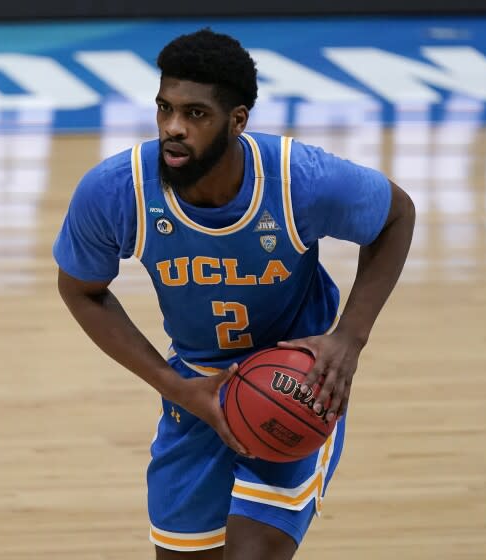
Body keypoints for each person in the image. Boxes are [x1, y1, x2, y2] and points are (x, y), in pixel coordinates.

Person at [54, 28, 415, 559]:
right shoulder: (117, 190)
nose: (173, 128)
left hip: (293, 384)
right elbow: (81, 291)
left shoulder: (299, 179)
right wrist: (171, 385)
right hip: (197, 387)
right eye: (164, 108)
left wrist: (349, 338)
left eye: (195, 114)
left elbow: (396, 215)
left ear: (238, 120)